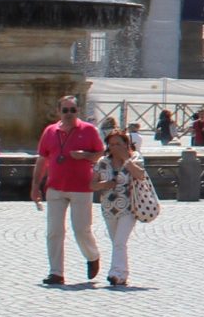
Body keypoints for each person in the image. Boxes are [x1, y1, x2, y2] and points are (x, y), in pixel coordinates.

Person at [33, 95, 106, 286]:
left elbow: (101, 153)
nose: (69, 114)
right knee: (54, 231)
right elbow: (42, 159)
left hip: (81, 187)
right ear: (58, 112)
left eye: (72, 110)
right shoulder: (50, 131)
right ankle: (56, 272)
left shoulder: (88, 130)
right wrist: (35, 186)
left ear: (78, 111)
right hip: (55, 187)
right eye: (65, 110)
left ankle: (92, 255)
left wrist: (86, 155)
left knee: (81, 230)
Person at [90, 128, 153, 289]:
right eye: (111, 144)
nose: (114, 147)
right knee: (117, 243)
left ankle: (115, 273)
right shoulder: (103, 162)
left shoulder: (135, 157)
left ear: (126, 144)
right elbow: (92, 185)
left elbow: (140, 175)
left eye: (118, 144)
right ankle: (122, 274)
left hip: (129, 207)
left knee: (119, 241)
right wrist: (104, 185)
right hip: (109, 207)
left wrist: (126, 160)